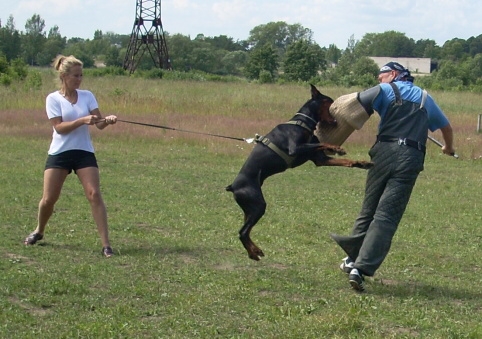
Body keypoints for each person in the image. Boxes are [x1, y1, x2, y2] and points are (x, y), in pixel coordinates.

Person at [331, 61, 455, 291]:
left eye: (381, 75)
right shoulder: (426, 99)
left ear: (394, 74)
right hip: (411, 157)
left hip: (383, 152)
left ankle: (352, 259)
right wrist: (448, 148)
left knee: (369, 208)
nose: (379, 79)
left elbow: (354, 103)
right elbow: (446, 128)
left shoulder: (386, 90)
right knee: (387, 215)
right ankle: (359, 266)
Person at [24, 55, 118, 258]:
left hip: (84, 151)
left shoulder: (87, 96)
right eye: (75, 76)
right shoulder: (53, 99)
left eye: (81, 75)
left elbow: (99, 123)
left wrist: (106, 121)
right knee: (49, 199)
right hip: (60, 152)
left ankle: (106, 245)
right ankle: (39, 230)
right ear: (64, 76)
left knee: (94, 194)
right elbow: (59, 128)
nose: (79, 79)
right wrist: (83, 120)